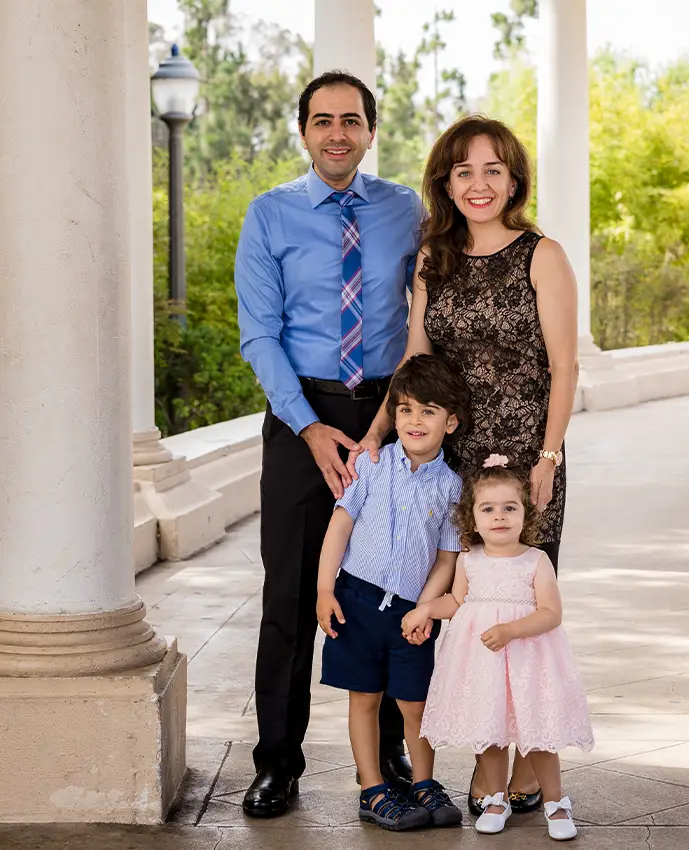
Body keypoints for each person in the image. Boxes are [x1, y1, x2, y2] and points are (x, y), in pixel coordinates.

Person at [350, 115, 580, 813]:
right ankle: (485, 760)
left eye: (492, 170)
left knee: (518, 611)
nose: (478, 185)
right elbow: (415, 364)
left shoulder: (543, 255)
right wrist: (374, 436)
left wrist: (547, 456)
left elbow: (566, 367)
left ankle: (531, 764)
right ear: (444, 182)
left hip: (523, 468)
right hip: (447, 462)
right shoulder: (433, 256)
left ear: (514, 179)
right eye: (463, 171)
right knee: (457, 610)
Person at [234, 70, 426, 818]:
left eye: (351, 120)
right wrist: (308, 427)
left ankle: (387, 758)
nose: (337, 133)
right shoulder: (269, 215)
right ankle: (278, 762)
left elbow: (426, 310)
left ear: (371, 131)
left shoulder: (404, 210)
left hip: (388, 409)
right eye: (323, 120)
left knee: (389, 583)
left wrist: (394, 424)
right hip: (300, 409)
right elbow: (260, 334)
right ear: (304, 131)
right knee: (287, 594)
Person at [403, 458, 594, 840]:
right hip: (482, 663)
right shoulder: (468, 560)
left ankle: (555, 802)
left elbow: (551, 614)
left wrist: (510, 629)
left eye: (510, 507)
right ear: (472, 519)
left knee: (536, 734)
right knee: (488, 733)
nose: (499, 516)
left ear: (526, 513)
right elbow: (457, 603)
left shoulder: (535, 561)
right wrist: (425, 608)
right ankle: (495, 798)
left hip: (527, 662)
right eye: (488, 509)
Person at [317, 354, 468, 831]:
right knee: (363, 697)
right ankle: (372, 789)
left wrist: (426, 609)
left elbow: (446, 558)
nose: (414, 420)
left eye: (428, 410)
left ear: (451, 421)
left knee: (415, 703)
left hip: (411, 612)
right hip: (355, 601)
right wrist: (325, 590)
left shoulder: (452, 488)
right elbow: (339, 526)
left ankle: (423, 783)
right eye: (404, 410)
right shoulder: (371, 466)